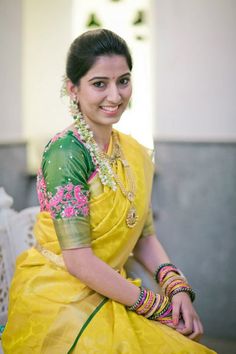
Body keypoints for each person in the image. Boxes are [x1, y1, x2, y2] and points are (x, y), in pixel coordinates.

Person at [2, 29, 216, 353]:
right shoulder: (66, 153)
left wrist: (176, 288)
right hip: (60, 301)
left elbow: (143, 237)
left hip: (112, 290)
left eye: (123, 81)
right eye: (99, 83)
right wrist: (156, 306)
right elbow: (78, 261)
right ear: (73, 88)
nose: (115, 96)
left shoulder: (133, 153)